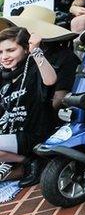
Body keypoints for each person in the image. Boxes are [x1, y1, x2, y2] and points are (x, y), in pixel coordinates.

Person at [0, 27, 58, 186]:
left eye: (10, 50)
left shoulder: (34, 67)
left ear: (26, 49)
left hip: (34, 133)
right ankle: (23, 166)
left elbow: (51, 80)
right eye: (0, 52)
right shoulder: (4, 76)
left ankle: (31, 161)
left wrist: (37, 51)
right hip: (10, 135)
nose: (4, 57)